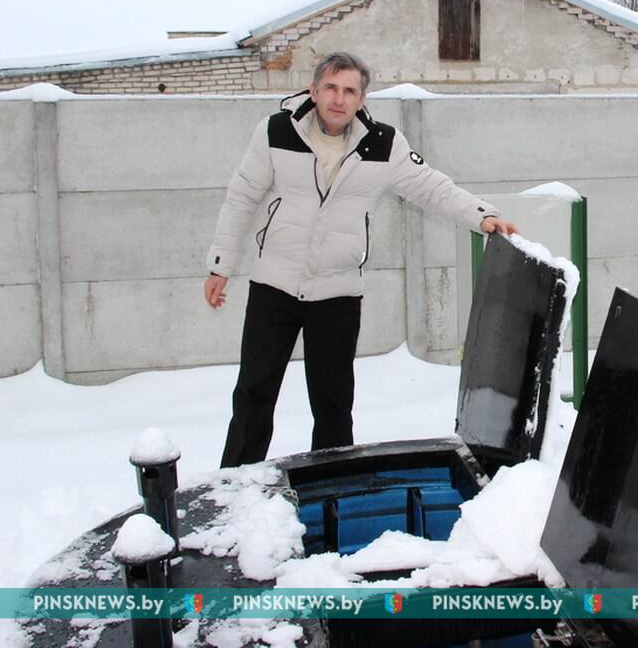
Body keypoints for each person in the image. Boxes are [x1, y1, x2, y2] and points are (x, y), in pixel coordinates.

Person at [204, 52, 517, 468]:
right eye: (331, 88)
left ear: (362, 98)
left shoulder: (383, 144)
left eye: (349, 90)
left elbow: (431, 187)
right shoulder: (276, 131)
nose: (339, 98)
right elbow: (242, 197)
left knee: (333, 404)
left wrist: (483, 215)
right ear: (314, 91)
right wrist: (221, 265)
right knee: (254, 394)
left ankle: (330, 485)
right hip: (274, 286)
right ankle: (235, 486)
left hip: (338, 293)